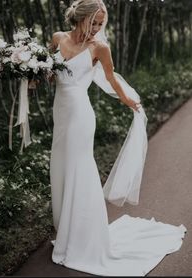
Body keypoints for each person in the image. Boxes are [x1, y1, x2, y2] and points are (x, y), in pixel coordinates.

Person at [48, 0, 186, 276]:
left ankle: (84, 237)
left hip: (80, 116)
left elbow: (110, 79)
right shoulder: (57, 38)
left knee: (80, 169)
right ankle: (66, 228)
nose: (98, 28)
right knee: (61, 167)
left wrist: (129, 101)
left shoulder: (100, 48)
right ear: (81, 18)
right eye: (94, 22)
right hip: (60, 113)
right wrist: (34, 75)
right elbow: (51, 72)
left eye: (102, 24)